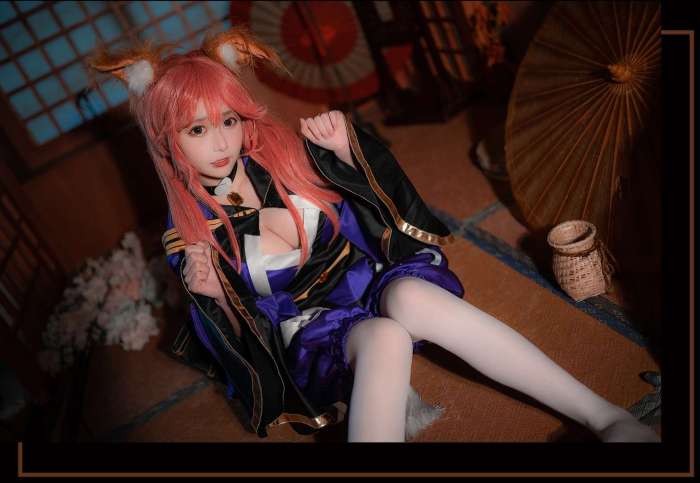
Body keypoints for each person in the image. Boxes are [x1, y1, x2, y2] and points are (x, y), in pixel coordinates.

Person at [90, 27, 660, 443]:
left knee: (411, 297)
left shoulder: (284, 157)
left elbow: (378, 209)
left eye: (229, 121)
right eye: (196, 130)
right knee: (385, 338)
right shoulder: (189, 237)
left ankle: (607, 417)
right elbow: (238, 348)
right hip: (311, 330)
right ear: (167, 140)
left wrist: (345, 151)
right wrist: (217, 297)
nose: (221, 143)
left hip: (368, 281)